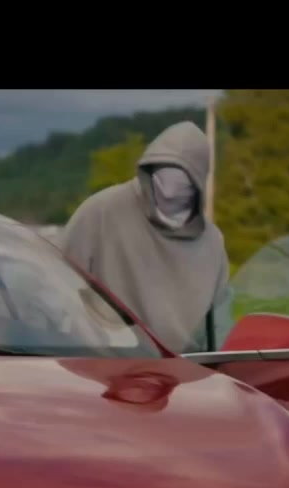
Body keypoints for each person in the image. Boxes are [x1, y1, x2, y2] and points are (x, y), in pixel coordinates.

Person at [58, 121, 233, 354]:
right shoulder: (99, 213)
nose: (170, 191)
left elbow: (220, 325)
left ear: (197, 184)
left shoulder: (211, 242)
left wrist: (220, 367)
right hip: (105, 362)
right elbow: (59, 290)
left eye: (183, 181)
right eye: (164, 176)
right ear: (149, 171)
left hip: (185, 367)